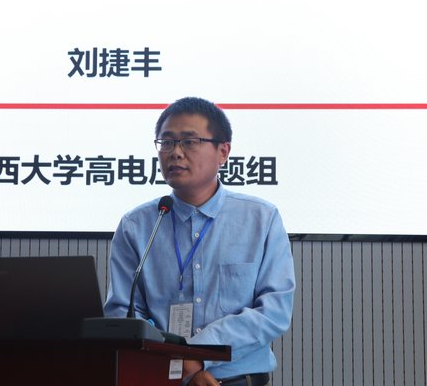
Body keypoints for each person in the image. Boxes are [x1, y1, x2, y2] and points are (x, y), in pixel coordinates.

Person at [104, 97, 295, 386]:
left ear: (223, 151)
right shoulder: (137, 225)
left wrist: (199, 355)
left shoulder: (261, 219)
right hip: (163, 380)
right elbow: (124, 314)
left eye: (189, 142)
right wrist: (181, 363)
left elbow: (274, 311)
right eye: (167, 142)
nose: (175, 153)